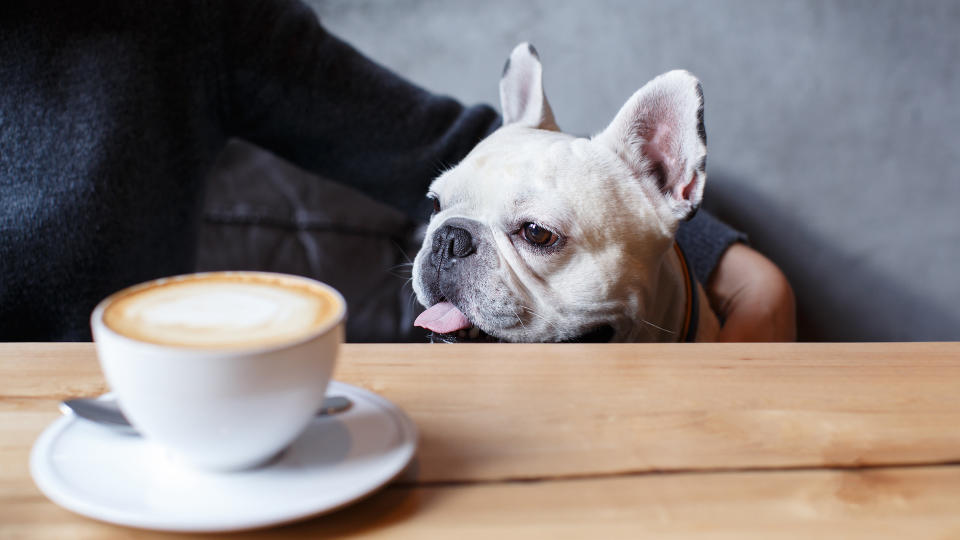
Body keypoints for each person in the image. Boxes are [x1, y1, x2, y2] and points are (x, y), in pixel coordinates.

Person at [0, 0, 793, 343]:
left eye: (538, 235)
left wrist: (713, 253)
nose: (445, 248)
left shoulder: (182, 18)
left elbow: (450, 142)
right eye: (445, 216)